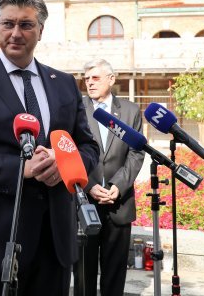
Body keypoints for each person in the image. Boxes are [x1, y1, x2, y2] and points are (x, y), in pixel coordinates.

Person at [0, 0, 99, 296]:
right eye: (7, 24)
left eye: (26, 25)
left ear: (40, 30)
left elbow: (88, 147)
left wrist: (64, 163)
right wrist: (19, 169)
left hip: (53, 243)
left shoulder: (64, 84)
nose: (15, 33)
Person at [75, 59, 145, 296]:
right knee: (83, 274)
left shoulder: (131, 111)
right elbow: (69, 153)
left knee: (114, 275)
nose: (90, 83)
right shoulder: (76, 109)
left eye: (95, 78)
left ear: (111, 79)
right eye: (86, 79)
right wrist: (90, 185)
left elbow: (136, 153)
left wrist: (118, 185)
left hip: (119, 204)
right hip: (84, 203)